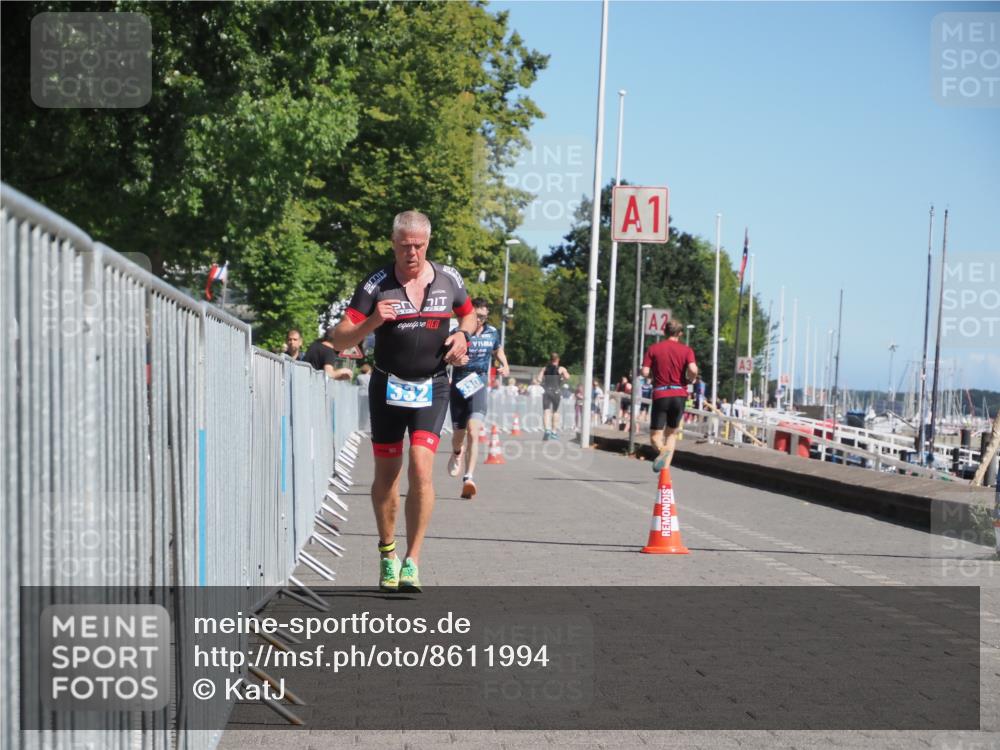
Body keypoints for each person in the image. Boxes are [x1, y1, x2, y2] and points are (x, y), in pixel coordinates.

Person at [331, 210, 474, 592]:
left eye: (419, 245)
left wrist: (462, 337)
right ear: (392, 243)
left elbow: (470, 316)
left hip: (432, 386)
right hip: (387, 387)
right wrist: (372, 323)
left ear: (428, 243)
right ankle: (387, 552)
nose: (412, 252)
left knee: (421, 468)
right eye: (405, 245)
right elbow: (340, 339)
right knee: (386, 477)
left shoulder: (449, 278)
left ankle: (413, 560)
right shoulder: (376, 284)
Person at [447, 298, 509, 500]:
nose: (480, 320)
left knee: (474, 431)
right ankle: (457, 452)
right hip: (458, 385)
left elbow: (497, 348)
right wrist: (455, 359)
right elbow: (443, 356)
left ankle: (469, 478)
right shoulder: (457, 333)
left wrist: (504, 364)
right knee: (459, 435)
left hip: (479, 384)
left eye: (483, 317)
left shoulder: (492, 332)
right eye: (477, 316)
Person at [641, 319, 698, 473]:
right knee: (671, 434)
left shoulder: (653, 349)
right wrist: (691, 378)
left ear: (664, 331)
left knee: (655, 436)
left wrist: (651, 373)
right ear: (680, 333)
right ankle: (665, 473)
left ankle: (661, 451)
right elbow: (693, 369)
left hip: (661, 393)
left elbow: (645, 372)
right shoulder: (687, 350)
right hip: (679, 394)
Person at [536, 352, 570, 440]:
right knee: (555, 411)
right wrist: (562, 377)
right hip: (556, 391)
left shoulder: (545, 368)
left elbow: (538, 379)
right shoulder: (561, 368)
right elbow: (567, 377)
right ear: (558, 359)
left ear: (550, 360)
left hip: (547, 391)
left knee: (546, 411)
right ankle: (554, 432)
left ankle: (547, 429)